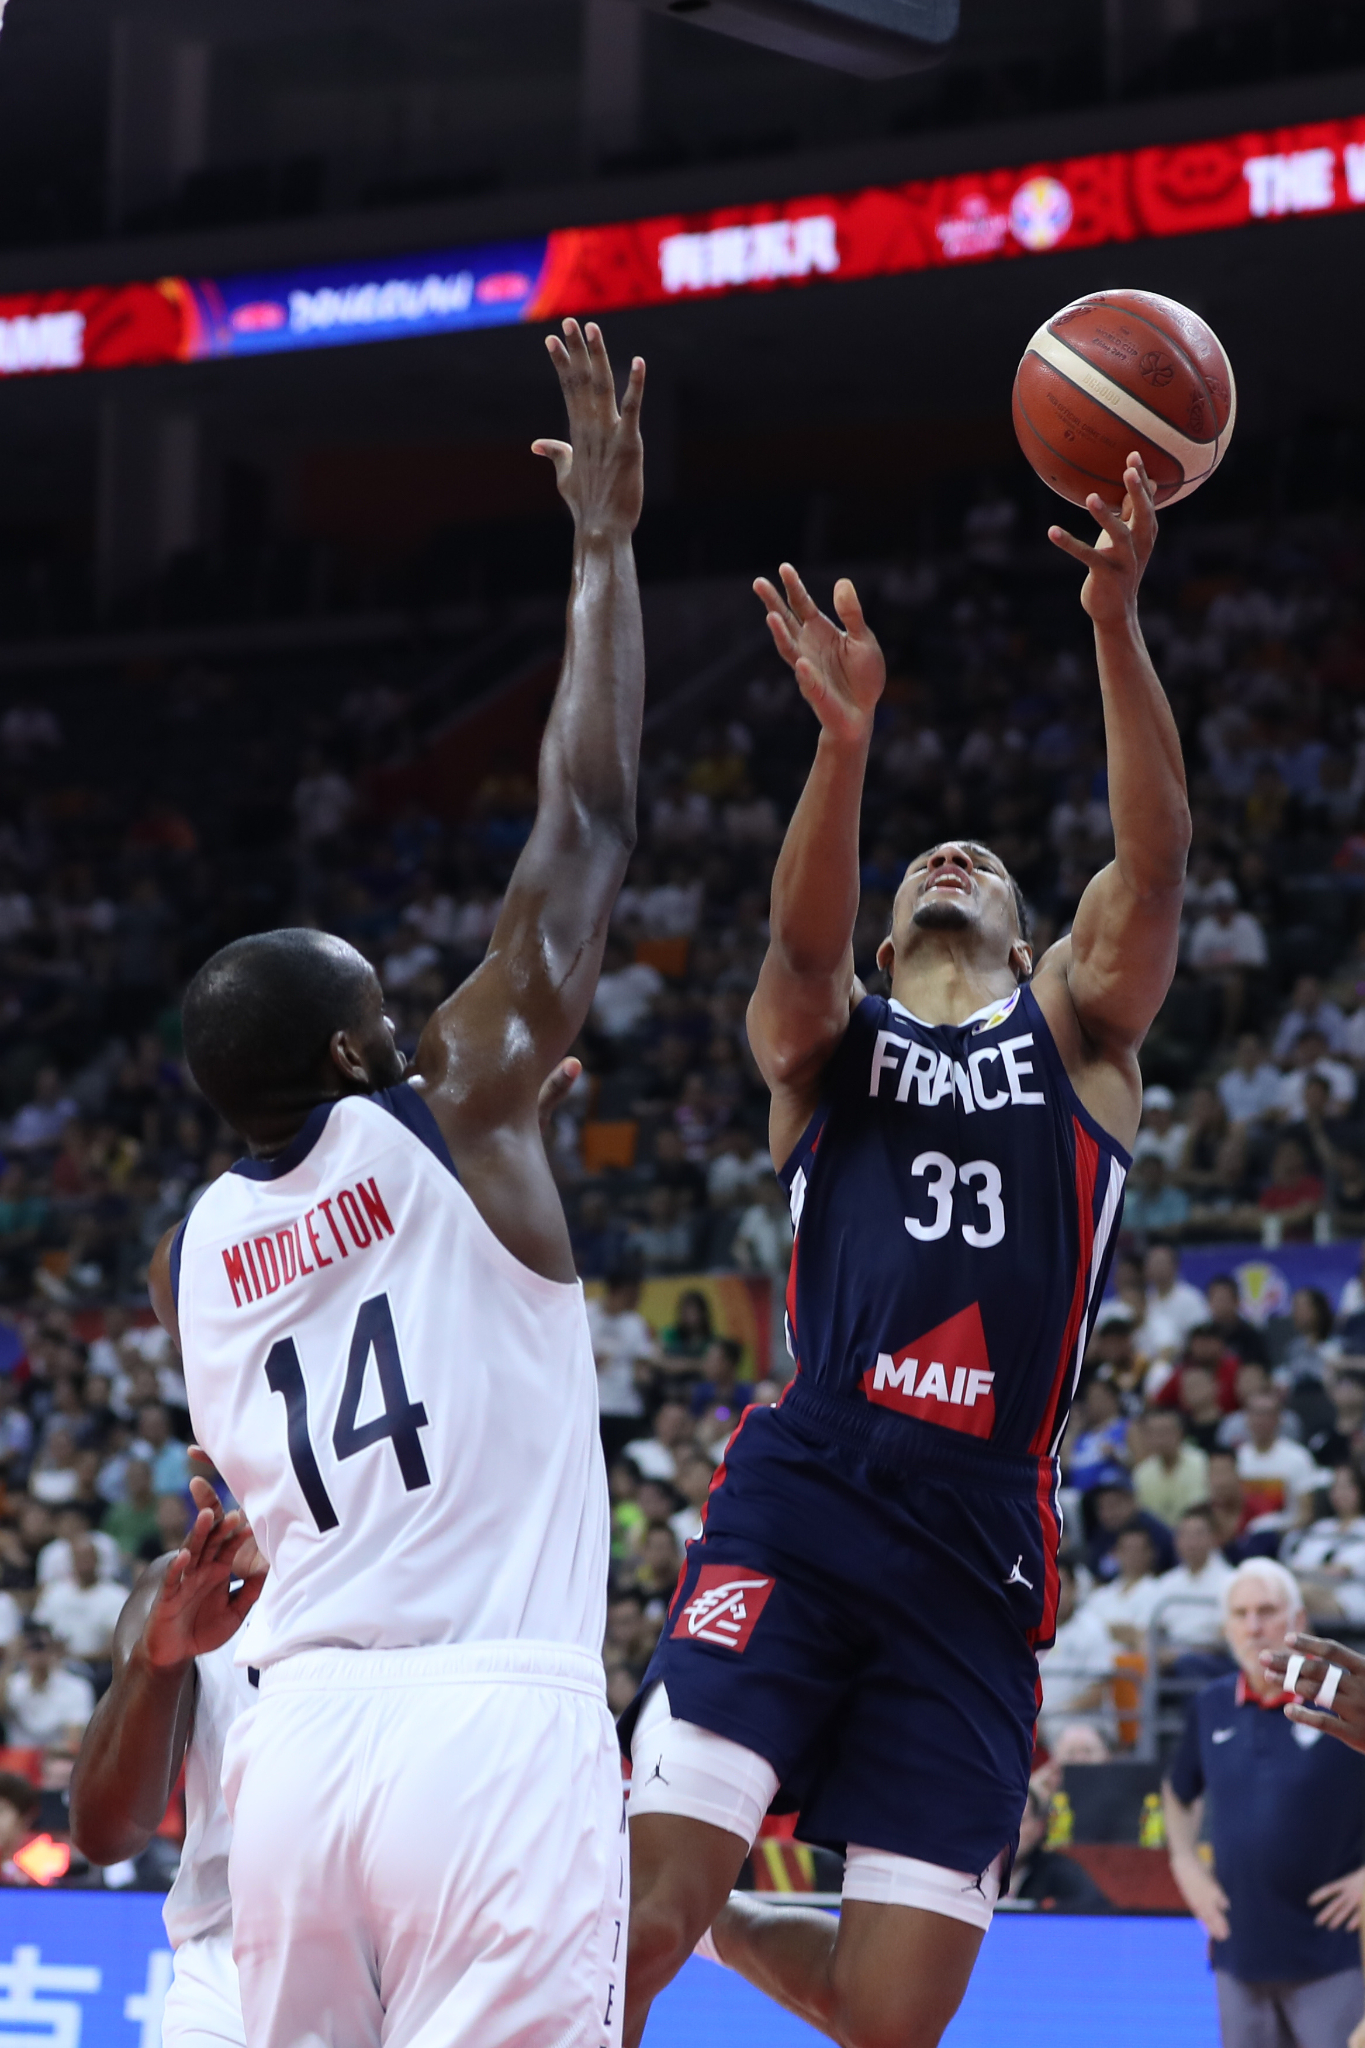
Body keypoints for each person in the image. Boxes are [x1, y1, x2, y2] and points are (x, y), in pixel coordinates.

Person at [621, 454, 1186, 2047]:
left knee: (888, 2019)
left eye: (984, 869)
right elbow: (798, 950)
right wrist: (843, 743)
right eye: (923, 870)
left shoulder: (1079, 1038)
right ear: (889, 944)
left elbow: (1151, 877)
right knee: (635, 1924)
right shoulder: (826, 1042)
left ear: (1029, 940)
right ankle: (669, 1894)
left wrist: (1115, 620)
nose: (951, 862)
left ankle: (723, 1905)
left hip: (978, 1530)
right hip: (809, 1489)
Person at [146, 320, 646, 2048]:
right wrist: (601, 545)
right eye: (387, 999)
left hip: (294, 1758)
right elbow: (582, 824)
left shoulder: (185, 1257)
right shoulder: (463, 1103)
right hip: (484, 1729)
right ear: (371, 1057)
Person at [70, 1483, 263, 2047]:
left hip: (418, 1951)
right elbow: (105, 1835)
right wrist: (160, 1666)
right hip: (234, 1968)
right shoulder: (191, 1579)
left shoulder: (449, 1575)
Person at [1165, 1561, 1365, 2048]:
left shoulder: (1344, 1703)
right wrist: (1185, 1862)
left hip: (1331, 1954)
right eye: (1241, 1614)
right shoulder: (1211, 1704)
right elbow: (1177, 1789)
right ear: (1226, 1627)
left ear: (1297, 1618)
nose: (1253, 1626)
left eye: (1267, 1611)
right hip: (1239, 1954)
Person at [1132, 1408, 1210, 1527]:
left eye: (1165, 1432)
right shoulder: (1141, 1473)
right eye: (1154, 1433)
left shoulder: (1201, 1462)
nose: (1160, 1439)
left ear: (1180, 1432)